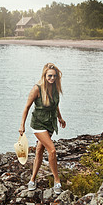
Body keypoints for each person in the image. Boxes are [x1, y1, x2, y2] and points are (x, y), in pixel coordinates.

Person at [19, 63, 66, 194]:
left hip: (50, 124)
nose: (52, 78)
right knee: (52, 150)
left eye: (54, 76)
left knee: (39, 150)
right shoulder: (37, 89)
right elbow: (26, 107)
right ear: (44, 76)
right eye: (50, 76)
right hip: (38, 124)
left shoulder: (55, 88)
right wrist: (22, 125)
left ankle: (32, 180)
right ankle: (57, 181)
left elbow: (55, 105)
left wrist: (60, 118)